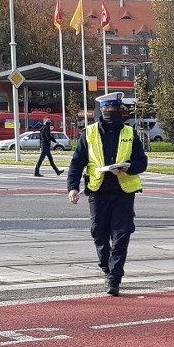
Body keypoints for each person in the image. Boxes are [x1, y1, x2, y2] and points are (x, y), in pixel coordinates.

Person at [67, 92, 148, 297]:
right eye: (109, 110)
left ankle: (115, 277)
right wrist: (73, 187)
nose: (113, 113)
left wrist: (128, 168)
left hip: (123, 192)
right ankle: (106, 268)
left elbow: (142, 161)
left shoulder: (130, 133)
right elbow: (77, 162)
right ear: (101, 111)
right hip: (98, 191)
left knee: (121, 234)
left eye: (117, 110)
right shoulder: (90, 133)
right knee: (99, 233)